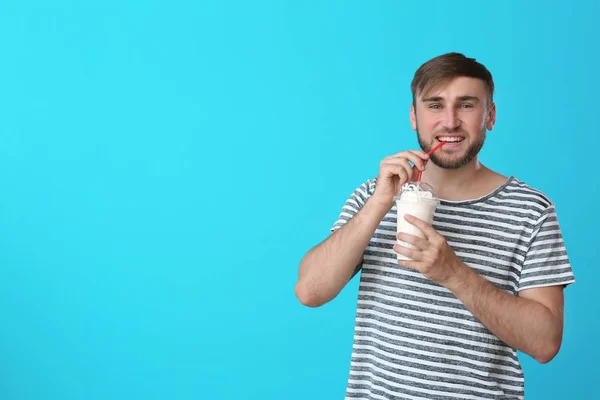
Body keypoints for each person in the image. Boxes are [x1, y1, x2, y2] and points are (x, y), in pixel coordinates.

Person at [294, 52, 575, 400]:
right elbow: (309, 290)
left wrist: (453, 272)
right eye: (435, 105)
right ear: (414, 116)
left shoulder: (532, 211)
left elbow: (545, 343)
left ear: (491, 116)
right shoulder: (374, 194)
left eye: (467, 105)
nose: (451, 122)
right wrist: (380, 204)